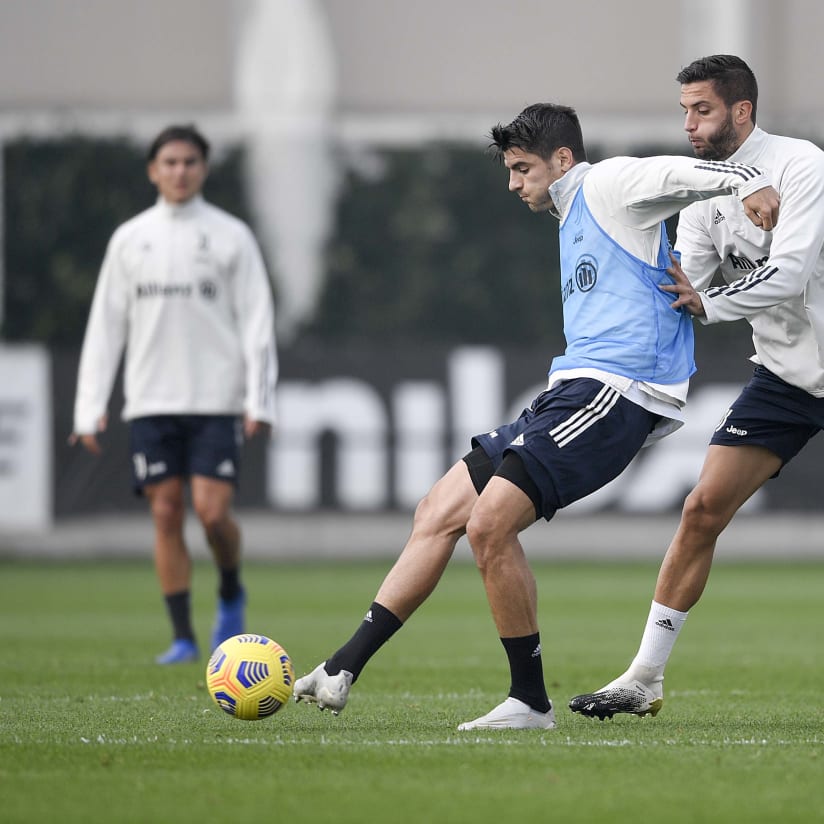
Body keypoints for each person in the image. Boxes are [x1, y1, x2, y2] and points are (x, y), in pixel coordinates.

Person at [292, 102, 779, 730]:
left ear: (563, 160)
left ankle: (530, 702)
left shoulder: (605, 185)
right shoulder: (571, 209)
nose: (513, 184)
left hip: (617, 393)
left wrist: (748, 182)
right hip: (568, 390)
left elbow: (674, 175)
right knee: (439, 511)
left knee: (489, 526)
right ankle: (340, 670)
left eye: (522, 169)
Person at [569, 54, 824, 721]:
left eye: (702, 109)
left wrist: (707, 302)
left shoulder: (801, 165)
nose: (689, 123)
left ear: (742, 111)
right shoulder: (705, 189)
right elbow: (687, 280)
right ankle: (644, 678)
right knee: (701, 510)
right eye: (684, 109)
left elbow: (791, 272)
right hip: (787, 379)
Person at [72, 124, 278, 665]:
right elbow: (106, 326)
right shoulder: (130, 239)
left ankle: (231, 588)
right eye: (170, 162)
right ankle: (184, 636)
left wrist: (260, 400)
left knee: (211, 515)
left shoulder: (231, 236)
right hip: (150, 400)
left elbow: (257, 322)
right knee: (165, 513)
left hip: (214, 399)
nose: (179, 171)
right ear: (153, 170)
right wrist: (90, 406)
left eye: (189, 162)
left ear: (203, 169)